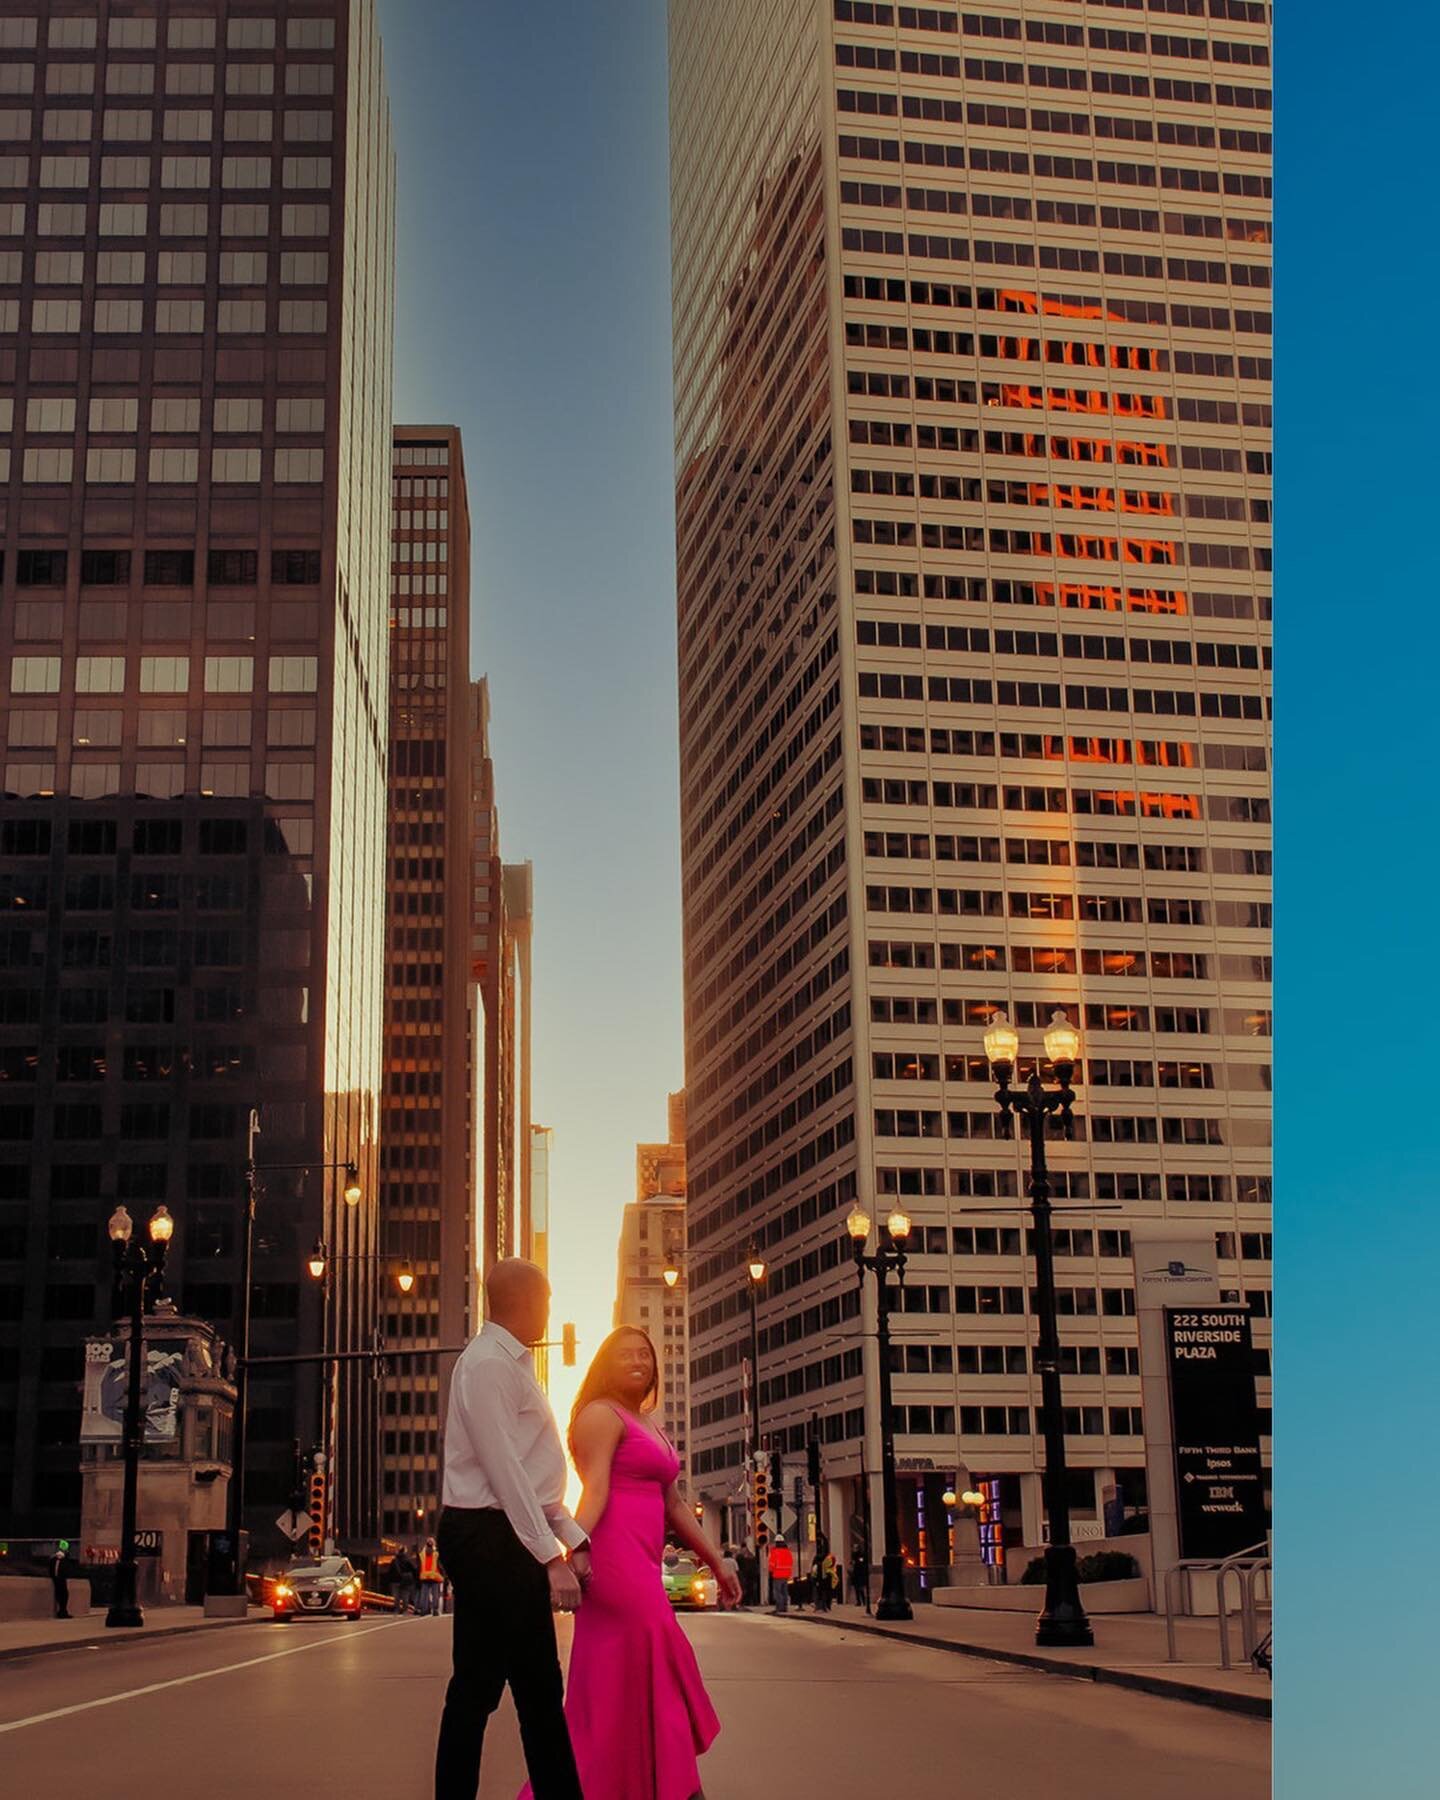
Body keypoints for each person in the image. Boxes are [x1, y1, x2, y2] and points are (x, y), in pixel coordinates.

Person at [520, 1325, 741, 1800]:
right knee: (657, 1653)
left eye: (645, 1353)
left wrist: (718, 1561)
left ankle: (647, 1785)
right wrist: (572, 1551)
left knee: (631, 1682)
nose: (638, 1361)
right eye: (625, 1354)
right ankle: (679, 1790)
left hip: (642, 1565)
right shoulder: (600, 1416)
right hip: (614, 1563)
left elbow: (675, 1505)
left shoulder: (649, 1423)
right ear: (605, 1363)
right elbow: (594, 1489)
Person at [433, 1258, 590, 1800]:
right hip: (491, 1537)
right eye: (546, 1300)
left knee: (495, 1688)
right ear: (527, 1301)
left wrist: (571, 1534)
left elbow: (530, 1471)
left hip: (500, 1534)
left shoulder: (506, 1363)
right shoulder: (488, 1367)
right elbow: (505, 1470)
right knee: (526, 1689)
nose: (549, 1312)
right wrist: (551, 1556)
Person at [417, 1537, 444, 1615]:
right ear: (434, 1544)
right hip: (434, 1576)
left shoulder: (421, 1553)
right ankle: (435, 1610)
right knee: (435, 1593)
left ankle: (423, 1610)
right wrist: (443, 1574)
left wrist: (418, 1575)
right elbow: (439, 1565)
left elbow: (419, 1566)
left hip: (424, 1576)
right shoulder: (436, 1553)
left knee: (424, 1593)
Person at [767, 1537, 794, 1614]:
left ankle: (779, 1607)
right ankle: (785, 1607)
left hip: (777, 1574)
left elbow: (772, 1564)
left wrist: (770, 1571)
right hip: (786, 1575)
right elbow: (791, 1562)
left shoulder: (774, 1552)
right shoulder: (788, 1552)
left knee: (777, 1592)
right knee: (784, 1591)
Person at [393, 1545, 418, 1614]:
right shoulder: (407, 1560)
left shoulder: (394, 1560)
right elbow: (413, 1569)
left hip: (395, 1580)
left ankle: (397, 1609)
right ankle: (405, 1609)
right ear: (405, 1551)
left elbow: (391, 1571)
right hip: (406, 1580)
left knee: (396, 1596)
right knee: (405, 1595)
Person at [48, 1541, 71, 1620]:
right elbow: (65, 1570)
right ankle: (62, 1611)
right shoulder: (62, 1559)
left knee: (62, 1595)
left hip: (57, 1579)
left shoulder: (53, 1559)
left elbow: (51, 1570)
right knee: (64, 1595)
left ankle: (62, 1611)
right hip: (60, 1579)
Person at [734, 1542, 758, 1608]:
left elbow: (739, 1565)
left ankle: (747, 1601)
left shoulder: (740, 1556)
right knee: (751, 1588)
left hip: (746, 1575)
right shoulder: (751, 1556)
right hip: (751, 1574)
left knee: (746, 1588)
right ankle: (753, 1602)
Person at [816, 1547, 838, 1613]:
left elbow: (824, 1568)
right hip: (829, 1576)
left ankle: (824, 1606)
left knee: (824, 1593)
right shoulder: (831, 1558)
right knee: (828, 1592)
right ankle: (827, 1606)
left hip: (825, 1577)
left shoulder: (824, 1560)